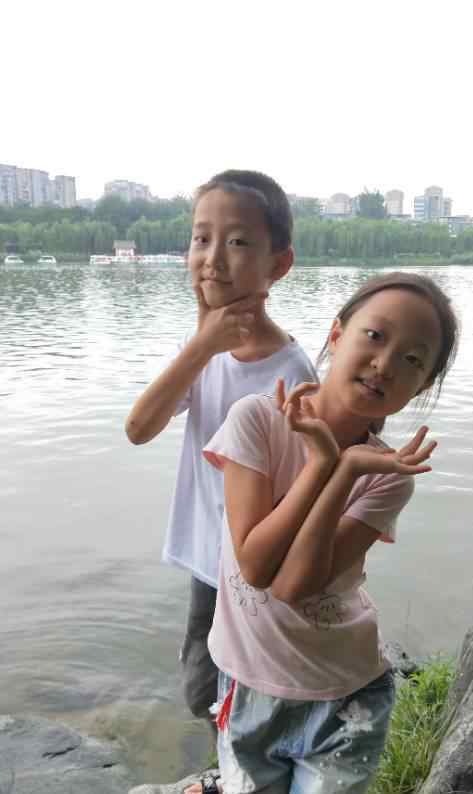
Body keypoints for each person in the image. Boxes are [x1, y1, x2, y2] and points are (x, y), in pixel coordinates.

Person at [185, 272, 459, 794]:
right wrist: (322, 464)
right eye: (375, 336)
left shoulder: (385, 475)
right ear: (336, 334)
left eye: (412, 359)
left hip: (345, 696)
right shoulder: (257, 422)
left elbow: (294, 587)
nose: (385, 364)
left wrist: (346, 472)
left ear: (421, 385)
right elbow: (257, 566)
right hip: (250, 683)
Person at [125, 170, 317, 735]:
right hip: (207, 559)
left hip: (253, 569)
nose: (211, 258)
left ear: (277, 264)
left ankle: (242, 771)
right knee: (201, 687)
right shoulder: (203, 351)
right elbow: (138, 428)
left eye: (236, 242)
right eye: (200, 238)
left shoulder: (291, 373)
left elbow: (297, 490)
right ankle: (229, 766)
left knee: (247, 692)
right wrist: (202, 340)